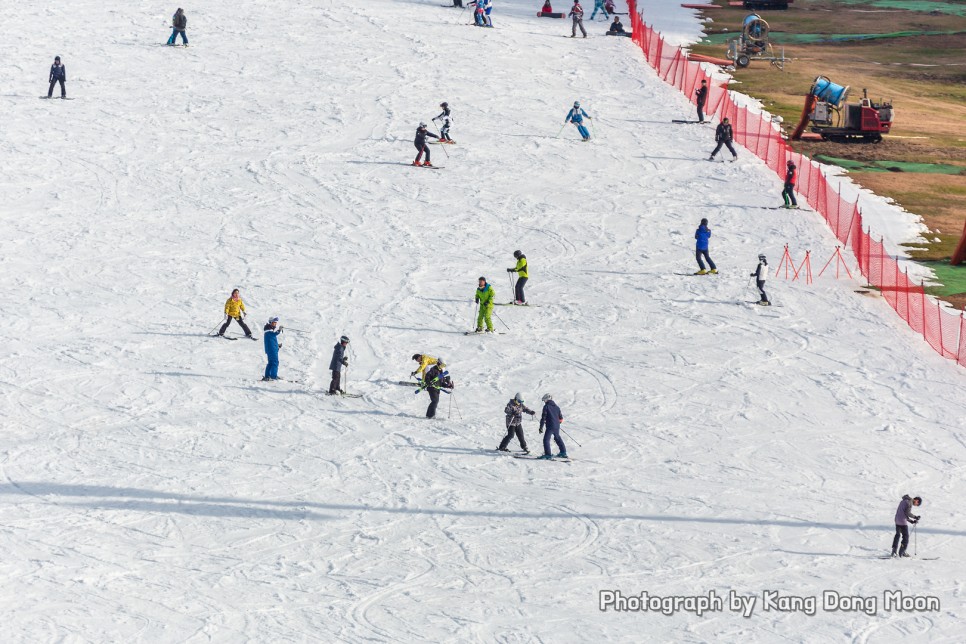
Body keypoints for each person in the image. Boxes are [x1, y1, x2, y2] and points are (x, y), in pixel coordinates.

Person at [538, 393, 566, 459]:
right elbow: (561, 419)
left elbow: (543, 418)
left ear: (547, 399)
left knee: (546, 439)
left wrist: (541, 427)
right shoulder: (557, 407)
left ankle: (548, 455)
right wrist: (556, 423)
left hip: (550, 426)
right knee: (557, 438)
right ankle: (563, 452)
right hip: (557, 426)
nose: (544, 402)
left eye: (544, 400)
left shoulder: (546, 407)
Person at [262, 317, 283, 381]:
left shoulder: (269, 331)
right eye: (274, 322)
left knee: (271, 363)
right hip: (272, 350)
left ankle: (267, 376)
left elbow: (271, 340)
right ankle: (273, 376)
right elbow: (274, 334)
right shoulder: (268, 331)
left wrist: (277, 345)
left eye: (276, 323)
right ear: (270, 322)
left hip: (272, 349)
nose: (275, 324)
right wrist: (279, 330)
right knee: (275, 362)